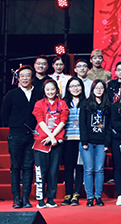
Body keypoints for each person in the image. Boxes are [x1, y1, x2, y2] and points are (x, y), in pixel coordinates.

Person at [2, 65, 40, 208]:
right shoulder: (11, 94)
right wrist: (16, 125)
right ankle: (16, 199)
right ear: (18, 78)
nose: (24, 78)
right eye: (22, 76)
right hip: (16, 135)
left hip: (32, 136)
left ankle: (26, 198)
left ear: (32, 78)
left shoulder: (38, 94)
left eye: (27, 75)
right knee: (16, 167)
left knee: (28, 167)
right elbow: (4, 115)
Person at [32, 79, 69, 208]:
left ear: (57, 90)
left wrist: (53, 138)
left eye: (52, 89)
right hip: (42, 141)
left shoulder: (62, 103)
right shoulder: (39, 103)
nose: (50, 92)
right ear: (44, 91)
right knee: (40, 171)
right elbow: (40, 121)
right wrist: (50, 136)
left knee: (53, 171)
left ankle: (51, 199)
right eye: (47, 89)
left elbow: (63, 121)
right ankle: (40, 199)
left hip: (56, 142)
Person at [79, 80, 111, 206]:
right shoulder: (86, 104)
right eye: (96, 88)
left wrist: (107, 143)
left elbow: (109, 126)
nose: (99, 90)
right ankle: (89, 197)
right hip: (88, 142)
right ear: (92, 89)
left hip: (102, 142)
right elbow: (82, 124)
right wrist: (84, 141)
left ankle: (98, 196)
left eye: (101, 88)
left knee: (99, 169)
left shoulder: (108, 105)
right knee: (88, 169)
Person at [61, 78, 85, 206]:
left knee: (80, 167)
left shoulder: (86, 102)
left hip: (82, 139)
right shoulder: (63, 103)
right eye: (72, 86)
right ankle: (68, 194)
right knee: (69, 168)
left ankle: (76, 194)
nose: (75, 88)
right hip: (68, 139)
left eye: (78, 85)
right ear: (68, 89)